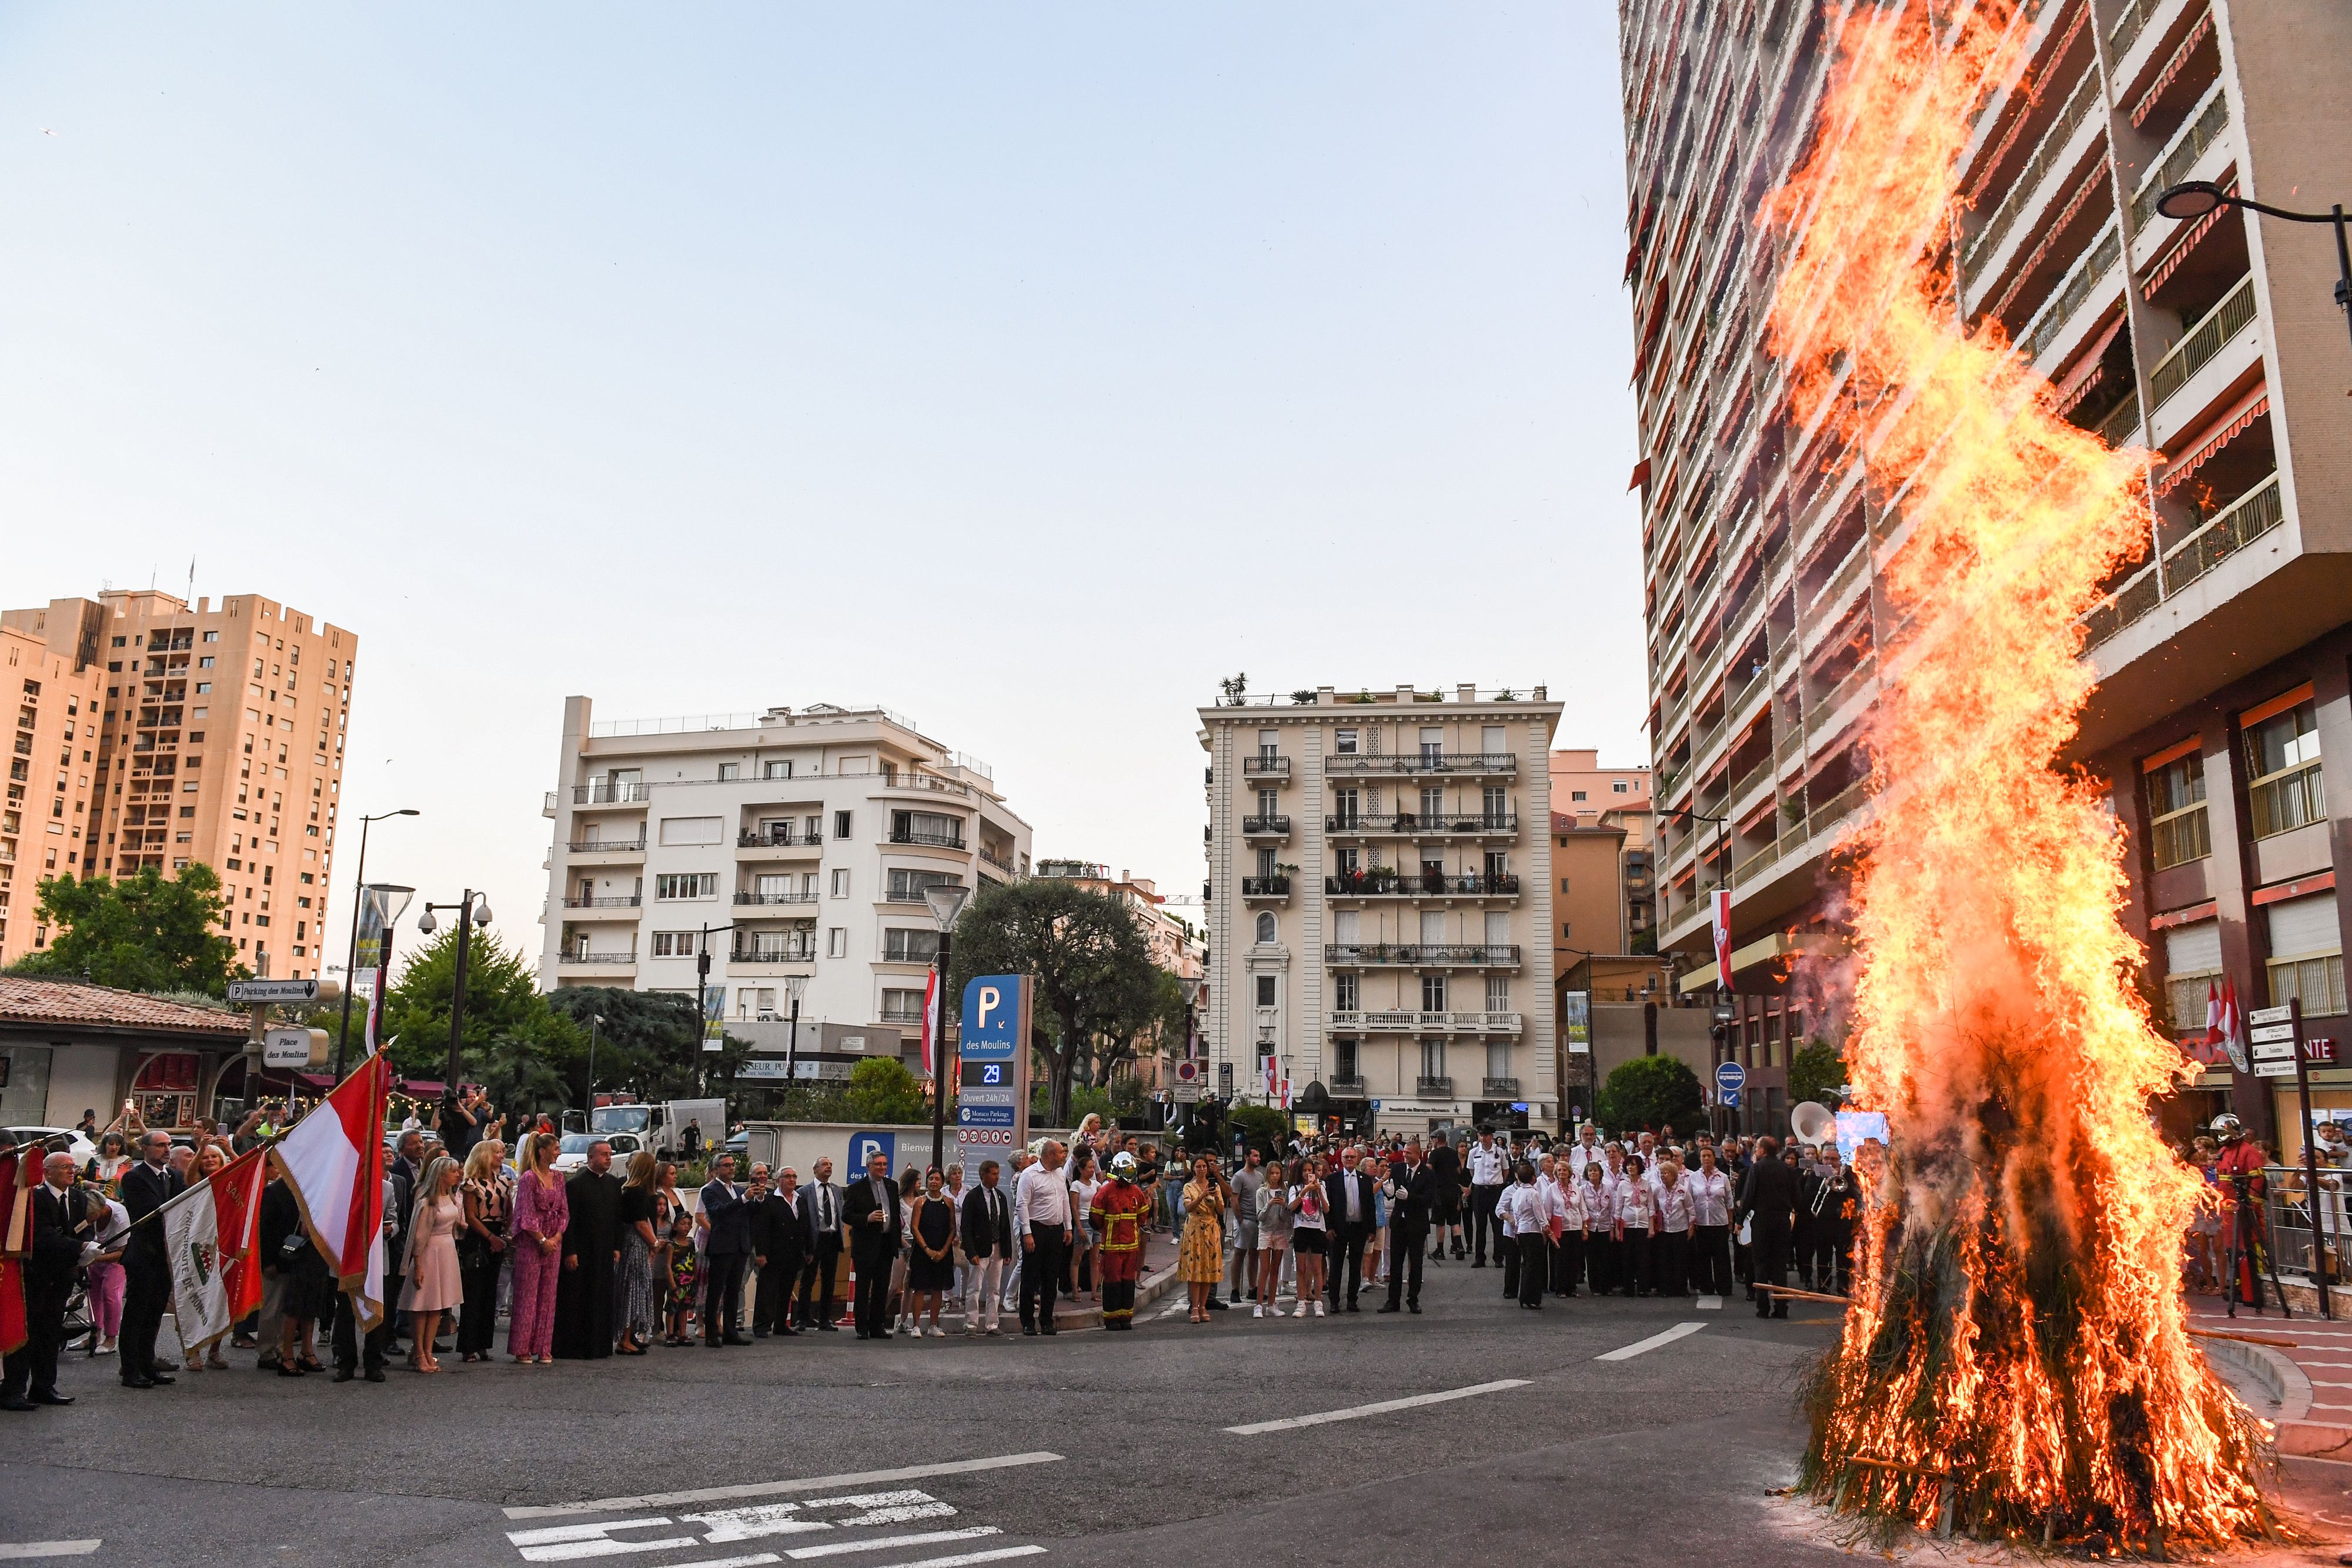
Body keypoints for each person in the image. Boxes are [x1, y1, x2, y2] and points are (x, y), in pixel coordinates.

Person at [2, 1151, 88, 1409]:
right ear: (47, 1172)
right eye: (64, 1167)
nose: (71, 1171)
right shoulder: (34, 1198)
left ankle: (44, 1386)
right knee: (27, 1334)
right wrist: (81, 1247)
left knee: (51, 1333)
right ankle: (13, 1390)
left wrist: (86, 1249)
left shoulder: (78, 1197)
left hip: (62, 1276)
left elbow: (83, 1226)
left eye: (73, 1167)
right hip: (36, 1276)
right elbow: (42, 1236)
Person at [118, 1129, 182, 1389]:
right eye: (160, 1146)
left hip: (165, 1256)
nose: (167, 1150)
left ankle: (148, 1364)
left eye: (169, 1145)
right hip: (144, 1253)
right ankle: (130, 1370)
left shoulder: (175, 1176)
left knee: (155, 1314)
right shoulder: (135, 1178)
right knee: (136, 1314)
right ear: (145, 1149)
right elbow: (150, 1212)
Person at [554, 1138, 624, 1359]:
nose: (608, 1158)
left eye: (610, 1154)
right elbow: (568, 1222)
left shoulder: (614, 1184)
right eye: (604, 1154)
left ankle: (601, 1345)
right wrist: (570, 1251)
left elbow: (617, 1219)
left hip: (604, 1251)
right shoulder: (576, 1185)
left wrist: (617, 1246)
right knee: (579, 1299)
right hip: (582, 1252)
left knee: (603, 1298)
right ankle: (576, 1347)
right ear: (591, 1157)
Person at [397, 1154, 463, 1373]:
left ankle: (427, 1351)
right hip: (428, 1253)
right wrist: (418, 1265)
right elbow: (419, 1235)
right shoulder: (427, 1201)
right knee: (422, 1304)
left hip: (446, 1250)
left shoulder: (452, 1197)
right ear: (442, 1175)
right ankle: (418, 1352)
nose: (457, 1175)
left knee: (437, 1305)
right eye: (453, 1171)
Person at [510, 1130, 569, 1364]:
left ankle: (543, 1346)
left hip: (553, 1241)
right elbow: (525, 1213)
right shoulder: (529, 1178)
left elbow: (564, 1210)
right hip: (532, 1242)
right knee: (528, 1295)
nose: (559, 1153)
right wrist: (542, 1240)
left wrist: (556, 1237)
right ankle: (522, 1347)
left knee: (548, 1296)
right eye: (556, 1149)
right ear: (542, 1151)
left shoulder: (559, 1178)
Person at [456, 1142, 510, 1363]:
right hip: (479, 1237)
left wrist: (505, 1233)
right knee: (474, 1292)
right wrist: (491, 1237)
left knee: (491, 1291)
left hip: (498, 1233)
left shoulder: (505, 1181)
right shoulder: (470, 1184)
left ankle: (484, 1345)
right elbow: (470, 1216)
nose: (501, 1155)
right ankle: (468, 1345)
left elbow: (509, 1210)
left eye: (502, 1152)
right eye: (497, 1152)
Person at [1738, 1134, 1799, 1319]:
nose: (1755, 1151)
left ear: (1762, 1151)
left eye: (1757, 1148)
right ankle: (1781, 1308)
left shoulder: (1757, 1169)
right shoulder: (1788, 1170)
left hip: (1762, 1220)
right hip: (1782, 1220)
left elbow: (1748, 1196)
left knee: (1761, 1264)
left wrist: (1740, 1221)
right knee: (1780, 1265)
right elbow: (1797, 1198)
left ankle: (1762, 1307)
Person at [1089, 1152, 1152, 1330]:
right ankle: (1111, 1318)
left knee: (1127, 1282)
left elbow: (1142, 1214)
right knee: (1112, 1282)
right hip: (1112, 1246)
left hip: (1131, 1246)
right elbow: (1095, 1218)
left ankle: (1126, 1317)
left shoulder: (1135, 1192)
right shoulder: (1106, 1191)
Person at [1014, 1141, 1071, 1336]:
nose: (1064, 1156)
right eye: (1060, 1153)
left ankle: (1046, 1320)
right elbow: (1022, 1205)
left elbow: (1064, 1200)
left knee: (1051, 1277)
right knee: (1031, 1277)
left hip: (1056, 1231)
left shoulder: (1060, 1174)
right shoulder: (1029, 1175)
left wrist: (1068, 1227)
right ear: (1049, 1155)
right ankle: (1028, 1322)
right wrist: (1027, 1234)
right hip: (1036, 1229)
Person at [846, 1151, 903, 1339]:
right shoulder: (856, 1188)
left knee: (882, 1286)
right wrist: (866, 1218)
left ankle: (877, 1325)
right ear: (868, 1166)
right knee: (863, 1288)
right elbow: (846, 1215)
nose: (882, 1168)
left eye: (885, 1165)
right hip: (866, 1245)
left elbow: (895, 1214)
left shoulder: (892, 1186)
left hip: (886, 1244)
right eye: (878, 1164)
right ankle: (862, 1327)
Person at [699, 1152, 754, 1346]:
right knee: (715, 1291)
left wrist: (758, 1200)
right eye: (726, 1165)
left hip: (740, 1245)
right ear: (716, 1170)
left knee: (734, 1290)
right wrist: (744, 1199)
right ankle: (712, 1332)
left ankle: (731, 1332)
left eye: (732, 1165)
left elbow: (747, 1212)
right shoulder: (709, 1190)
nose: (731, 1168)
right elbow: (718, 1212)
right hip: (722, 1246)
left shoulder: (739, 1190)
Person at [962, 1158, 1017, 1337]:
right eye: (994, 1174)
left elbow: (1005, 1225)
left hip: (998, 1247)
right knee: (975, 1287)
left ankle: (992, 1323)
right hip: (980, 1249)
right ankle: (971, 1324)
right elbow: (966, 1226)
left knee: (994, 1288)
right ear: (983, 1175)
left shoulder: (1000, 1196)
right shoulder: (973, 1197)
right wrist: (971, 1252)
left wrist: (1007, 1251)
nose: (997, 1178)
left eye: (998, 1174)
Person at [750, 1164, 806, 1339]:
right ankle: (761, 1325)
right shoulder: (769, 1200)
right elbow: (762, 1229)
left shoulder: (800, 1199)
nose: (792, 1180)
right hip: (773, 1253)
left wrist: (809, 1250)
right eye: (788, 1177)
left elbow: (806, 1225)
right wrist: (761, 1253)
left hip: (794, 1253)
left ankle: (781, 1324)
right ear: (778, 1180)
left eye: (794, 1177)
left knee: (786, 1290)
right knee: (767, 1290)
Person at [1379, 1141, 1435, 1313]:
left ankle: (1413, 1299)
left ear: (1418, 1154)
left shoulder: (1427, 1174)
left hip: (1417, 1224)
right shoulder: (1397, 1169)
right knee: (1396, 1263)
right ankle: (1393, 1301)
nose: (1406, 1156)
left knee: (1416, 1263)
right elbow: (1392, 1191)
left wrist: (1410, 1197)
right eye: (1405, 1153)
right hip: (1399, 1222)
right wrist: (1388, 1192)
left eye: (1409, 1153)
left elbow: (1429, 1200)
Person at [904, 1169, 956, 1337]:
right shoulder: (921, 1201)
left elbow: (953, 1229)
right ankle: (917, 1325)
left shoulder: (949, 1202)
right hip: (923, 1251)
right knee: (919, 1288)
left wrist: (944, 1250)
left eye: (937, 1179)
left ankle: (933, 1325)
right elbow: (914, 1227)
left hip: (943, 1251)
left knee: (937, 1288)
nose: (934, 1182)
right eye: (931, 1179)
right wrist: (927, 1249)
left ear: (943, 1182)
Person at [796, 1155, 846, 1330]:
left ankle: (825, 1318)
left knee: (829, 1280)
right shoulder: (804, 1191)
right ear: (815, 1170)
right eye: (825, 1164)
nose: (829, 1167)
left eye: (831, 1164)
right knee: (808, 1279)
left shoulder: (837, 1190)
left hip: (831, 1238)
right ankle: (803, 1318)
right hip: (813, 1239)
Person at [1325, 1149, 1376, 1312]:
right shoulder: (1332, 1180)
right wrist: (1329, 1227)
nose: (1349, 1160)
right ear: (1341, 1159)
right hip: (1338, 1229)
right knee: (1336, 1266)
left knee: (1355, 1266)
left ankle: (1352, 1300)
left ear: (1357, 1159)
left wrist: (1371, 1229)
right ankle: (1334, 1301)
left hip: (1359, 1228)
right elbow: (1328, 1206)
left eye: (1352, 1157)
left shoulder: (1365, 1180)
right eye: (1346, 1157)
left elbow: (1370, 1205)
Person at [1178, 1155, 1227, 1324]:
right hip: (1194, 1229)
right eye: (1198, 1167)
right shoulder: (1188, 1187)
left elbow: (1221, 1210)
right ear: (1194, 1169)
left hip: (1211, 1228)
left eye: (1204, 1167)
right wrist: (1201, 1196)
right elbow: (1188, 1207)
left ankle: (1204, 1305)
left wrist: (1216, 1198)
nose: (1202, 1170)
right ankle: (1194, 1307)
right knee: (1195, 1269)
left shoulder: (1215, 1187)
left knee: (1208, 1269)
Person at [1688, 1144, 1734, 1298]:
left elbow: (1729, 1201)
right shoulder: (1693, 1178)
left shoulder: (1723, 1177)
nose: (1706, 1159)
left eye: (1709, 1156)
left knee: (1721, 1257)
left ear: (1714, 1159)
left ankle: (1724, 1287)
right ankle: (1706, 1286)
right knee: (1703, 1257)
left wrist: (1730, 1222)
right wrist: (1691, 1222)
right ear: (1700, 1159)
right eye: (1704, 1156)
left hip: (1719, 1222)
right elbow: (1690, 1201)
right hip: (1701, 1223)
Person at [1289, 1157, 1329, 1317]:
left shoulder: (1321, 1186)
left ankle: (1318, 1303)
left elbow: (1326, 1209)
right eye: (1305, 1171)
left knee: (1317, 1267)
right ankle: (1301, 1302)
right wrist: (1304, 1192)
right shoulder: (1295, 1188)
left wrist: (1318, 1191)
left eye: (1310, 1171)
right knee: (1301, 1268)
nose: (1307, 1174)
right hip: (1301, 1229)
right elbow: (1292, 1207)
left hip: (1317, 1228)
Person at [1254, 1158, 1292, 1318]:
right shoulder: (1261, 1192)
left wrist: (1284, 1206)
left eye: (1277, 1173)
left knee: (1275, 1269)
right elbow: (1260, 1217)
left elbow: (1286, 1218)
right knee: (1265, 1269)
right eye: (1272, 1173)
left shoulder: (1285, 1191)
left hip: (1280, 1232)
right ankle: (1258, 1305)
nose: (1275, 1176)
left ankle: (1272, 1303)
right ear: (1268, 1174)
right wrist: (1269, 1204)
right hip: (1265, 1231)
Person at [1465, 1127, 1508, 1268]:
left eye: (1486, 1136)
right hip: (1479, 1192)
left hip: (1495, 1191)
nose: (1484, 1138)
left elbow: (1505, 1170)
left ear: (1492, 1137)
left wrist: (1497, 1183)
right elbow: (1472, 1171)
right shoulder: (1473, 1152)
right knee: (1480, 1226)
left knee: (1497, 1225)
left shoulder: (1500, 1152)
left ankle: (1498, 1258)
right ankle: (1480, 1258)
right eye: (1481, 1135)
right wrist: (1480, 1182)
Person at [1617, 1153, 1656, 1297]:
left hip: (1643, 1224)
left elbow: (1651, 1206)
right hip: (1627, 1225)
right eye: (1629, 1165)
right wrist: (1616, 1229)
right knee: (1628, 1258)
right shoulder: (1623, 1185)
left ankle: (1643, 1287)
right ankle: (1628, 1287)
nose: (1631, 1168)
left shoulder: (1646, 1184)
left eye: (1634, 1165)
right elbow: (1618, 1207)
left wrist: (1651, 1227)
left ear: (1639, 1167)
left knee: (1643, 1258)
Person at [1228, 1147, 1264, 1304]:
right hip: (1246, 1220)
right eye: (1255, 1155)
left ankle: (1253, 1288)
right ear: (1247, 1157)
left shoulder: (1260, 1176)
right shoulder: (1239, 1177)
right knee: (1239, 1254)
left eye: (1259, 1155)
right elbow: (1234, 1199)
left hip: (1258, 1220)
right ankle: (1235, 1289)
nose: (1258, 1158)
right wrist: (1240, 1220)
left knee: (1255, 1254)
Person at [1064, 1147, 1100, 1303]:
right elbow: (1074, 1207)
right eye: (1089, 1168)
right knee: (1077, 1258)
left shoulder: (1096, 1184)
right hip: (1083, 1221)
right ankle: (1075, 1291)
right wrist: (1078, 1227)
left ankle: (1094, 1292)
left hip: (1095, 1222)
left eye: (1093, 1167)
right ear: (1081, 1169)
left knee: (1095, 1258)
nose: (1092, 1171)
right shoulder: (1076, 1185)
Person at [1654, 1156, 1693, 1298]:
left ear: (1673, 1175)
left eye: (1666, 1173)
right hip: (1664, 1229)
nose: (1664, 1176)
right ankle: (1666, 1288)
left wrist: (1691, 1227)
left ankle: (1682, 1288)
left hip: (1680, 1229)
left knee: (1680, 1260)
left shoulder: (1683, 1191)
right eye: (1662, 1173)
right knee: (1665, 1260)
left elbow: (1690, 1210)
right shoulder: (1658, 1190)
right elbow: (1655, 1208)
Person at [663, 1209, 701, 1345]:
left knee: (685, 1309)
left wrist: (696, 1279)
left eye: (688, 1224)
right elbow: (668, 1266)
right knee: (672, 1308)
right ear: (675, 1226)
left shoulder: (691, 1244)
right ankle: (671, 1334)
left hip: (690, 1282)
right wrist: (672, 1284)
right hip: (677, 1282)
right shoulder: (671, 1245)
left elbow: (694, 1262)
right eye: (682, 1223)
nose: (686, 1226)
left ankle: (683, 1334)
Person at [1426, 1130, 1464, 1264]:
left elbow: (1429, 1169)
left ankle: (1440, 1250)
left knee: (1440, 1222)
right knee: (1454, 1221)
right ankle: (1459, 1247)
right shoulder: (1453, 1152)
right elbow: (1459, 1170)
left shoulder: (1434, 1153)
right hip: (1453, 1190)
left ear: (1437, 1139)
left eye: (1432, 1139)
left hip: (1440, 1191)